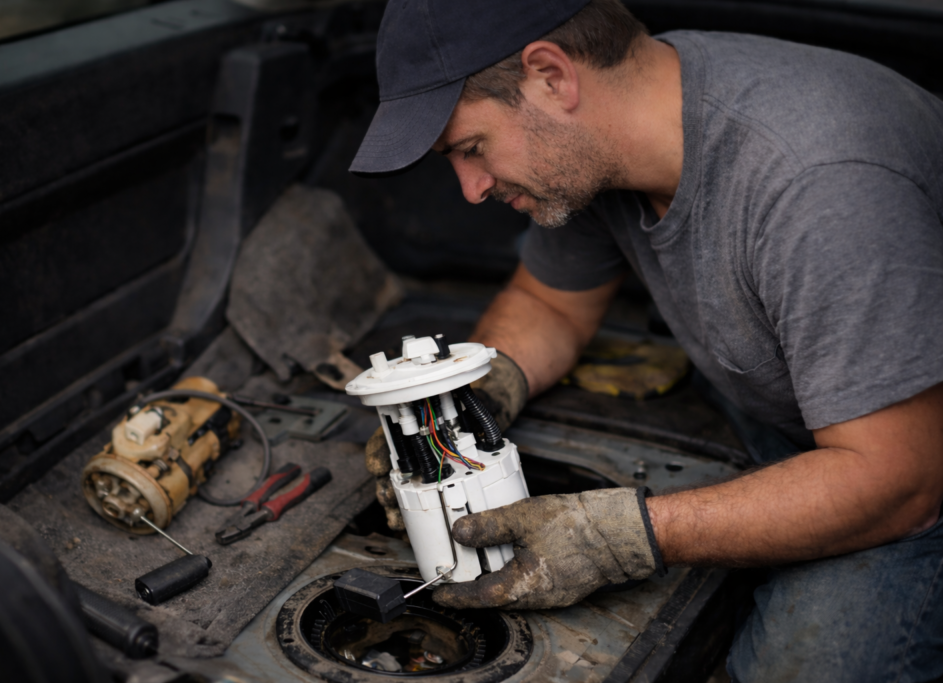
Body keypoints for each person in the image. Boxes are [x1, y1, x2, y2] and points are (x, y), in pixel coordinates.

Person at [351, 0, 943, 680]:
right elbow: (551, 304)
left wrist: (618, 537)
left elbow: (900, 480)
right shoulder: (605, 135)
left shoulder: (818, 182)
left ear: (551, 76)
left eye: (472, 148)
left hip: (905, 463)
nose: (471, 188)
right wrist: (469, 402)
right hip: (808, 415)